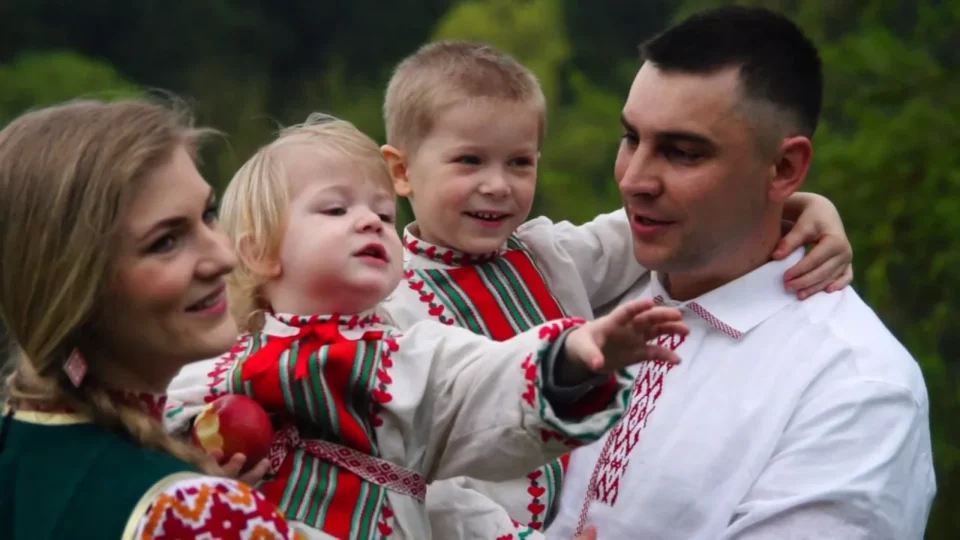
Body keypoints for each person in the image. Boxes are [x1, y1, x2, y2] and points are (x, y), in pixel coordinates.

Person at [377, 40, 856, 538]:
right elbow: (412, 478)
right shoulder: (388, 310)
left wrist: (795, 205)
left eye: (519, 163)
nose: (498, 185)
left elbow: (680, 223)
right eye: (470, 161)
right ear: (402, 171)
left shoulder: (547, 254)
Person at [164, 114, 690, 539]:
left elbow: (477, 386)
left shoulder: (405, 358)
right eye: (335, 209)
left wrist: (574, 352)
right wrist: (191, 467)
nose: (369, 221)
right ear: (259, 253)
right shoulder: (221, 366)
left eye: (383, 214)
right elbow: (148, 421)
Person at [546, 7, 935, 539]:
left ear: (784, 169)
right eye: (631, 138)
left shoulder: (855, 384)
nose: (634, 179)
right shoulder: (577, 283)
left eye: (681, 152)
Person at [0, 99, 328, 539]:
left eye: (209, 214)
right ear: (74, 286)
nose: (225, 256)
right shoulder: (194, 514)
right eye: (166, 242)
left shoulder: (19, 447)